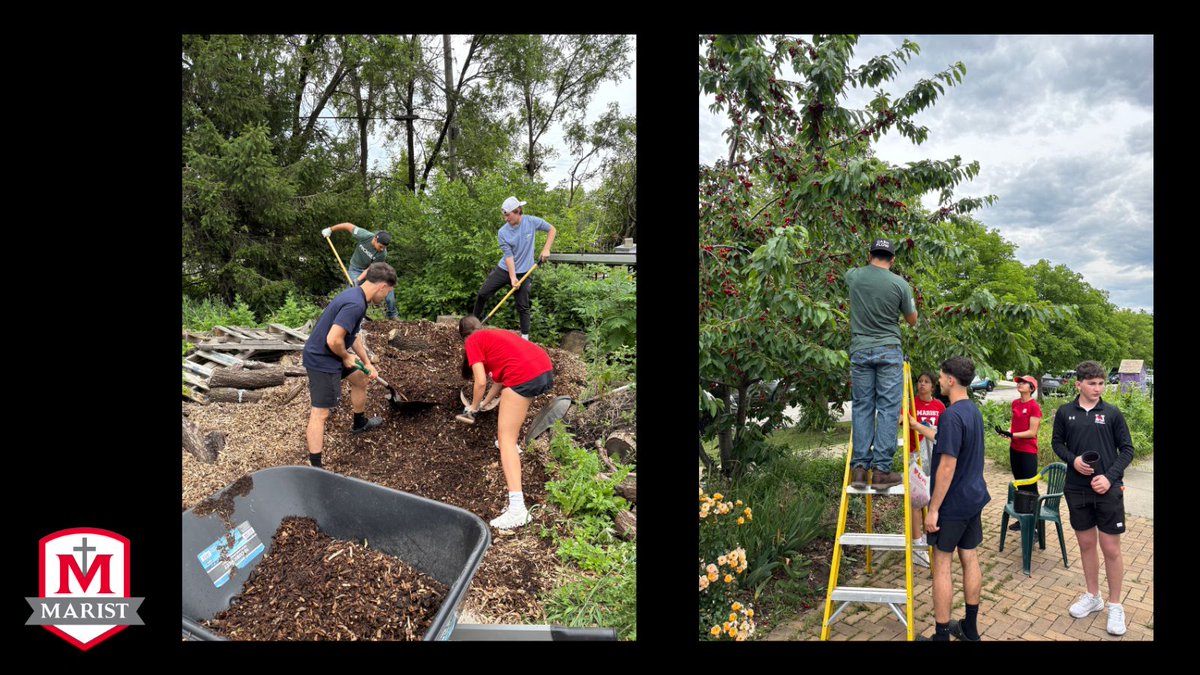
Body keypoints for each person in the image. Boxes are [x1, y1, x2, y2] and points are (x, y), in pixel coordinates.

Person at [1053, 360, 1136, 636]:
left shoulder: (1112, 413)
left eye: (1101, 383)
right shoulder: (1065, 412)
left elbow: (1127, 450)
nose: (1098, 388)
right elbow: (1057, 444)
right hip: (1076, 489)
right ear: (1078, 384)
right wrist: (1073, 460)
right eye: (1092, 383)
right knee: (1087, 545)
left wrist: (1109, 477)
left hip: (1107, 490)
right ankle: (1093, 596)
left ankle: (1115, 605)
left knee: (1110, 549)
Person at [455, 315, 555, 529]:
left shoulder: (472, 341)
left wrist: (472, 408)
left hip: (524, 375)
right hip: (543, 368)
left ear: (463, 337)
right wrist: (483, 404)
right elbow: (499, 379)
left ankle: (518, 510)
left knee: (505, 440)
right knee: (508, 430)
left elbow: (481, 381)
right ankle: (512, 446)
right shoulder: (497, 334)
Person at [300, 262, 398, 468]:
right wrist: (345, 357)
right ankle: (316, 467)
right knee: (321, 413)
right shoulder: (355, 304)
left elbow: (352, 336)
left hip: (333, 355)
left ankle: (359, 423)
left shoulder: (357, 297)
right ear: (382, 287)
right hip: (322, 359)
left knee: (360, 378)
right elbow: (334, 340)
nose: (386, 296)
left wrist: (366, 362)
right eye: (388, 292)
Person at [919, 356, 989, 641]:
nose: (937, 380)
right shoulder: (972, 411)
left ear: (950, 380)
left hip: (953, 503)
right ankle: (970, 629)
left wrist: (933, 509)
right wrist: (917, 426)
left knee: (942, 563)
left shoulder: (950, 415)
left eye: (940, 375)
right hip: (973, 497)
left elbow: (947, 465)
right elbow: (946, 438)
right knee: (969, 557)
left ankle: (941, 635)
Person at [844, 238, 918, 490]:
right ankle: (881, 471)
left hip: (861, 350)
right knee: (888, 408)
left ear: (869, 254)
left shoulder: (853, 276)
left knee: (863, 406)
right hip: (889, 349)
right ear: (893, 259)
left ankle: (860, 470)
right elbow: (912, 320)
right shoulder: (900, 284)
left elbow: (850, 279)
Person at [472, 197, 556, 340]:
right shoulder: (503, 232)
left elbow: (552, 229)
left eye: (507, 215)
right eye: (504, 215)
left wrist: (546, 249)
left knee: (522, 305)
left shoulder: (531, 222)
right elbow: (508, 256)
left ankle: (525, 338)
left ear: (517, 211)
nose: (505, 219)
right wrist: (512, 277)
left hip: (525, 270)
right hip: (505, 269)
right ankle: (472, 325)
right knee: (482, 294)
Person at [906, 371, 945, 568]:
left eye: (926, 381)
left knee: (933, 498)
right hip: (914, 456)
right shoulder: (911, 405)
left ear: (932, 386)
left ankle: (933, 535)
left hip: (934, 457)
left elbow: (942, 433)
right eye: (919, 381)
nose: (922, 384)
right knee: (916, 501)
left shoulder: (939, 406)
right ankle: (916, 543)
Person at [321, 222, 398, 319]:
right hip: (355, 269)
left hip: (368, 271)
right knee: (353, 290)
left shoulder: (382, 254)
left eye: (384, 248)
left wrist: (358, 280)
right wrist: (330, 229)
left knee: (388, 289)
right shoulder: (364, 235)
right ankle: (350, 315)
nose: (382, 249)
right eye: (381, 246)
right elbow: (347, 225)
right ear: (375, 239)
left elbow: (371, 269)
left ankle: (392, 315)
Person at [995, 375, 1042, 531]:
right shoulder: (1015, 403)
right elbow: (1014, 425)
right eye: (1019, 382)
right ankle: (1022, 519)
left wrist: (1013, 435)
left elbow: (1032, 432)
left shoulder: (1034, 406)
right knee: (1019, 484)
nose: (1020, 384)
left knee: (1030, 486)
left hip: (1028, 451)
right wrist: (1007, 432)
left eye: (1024, 383)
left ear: (1031, 388)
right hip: (1014, 449)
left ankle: (1035, 524)